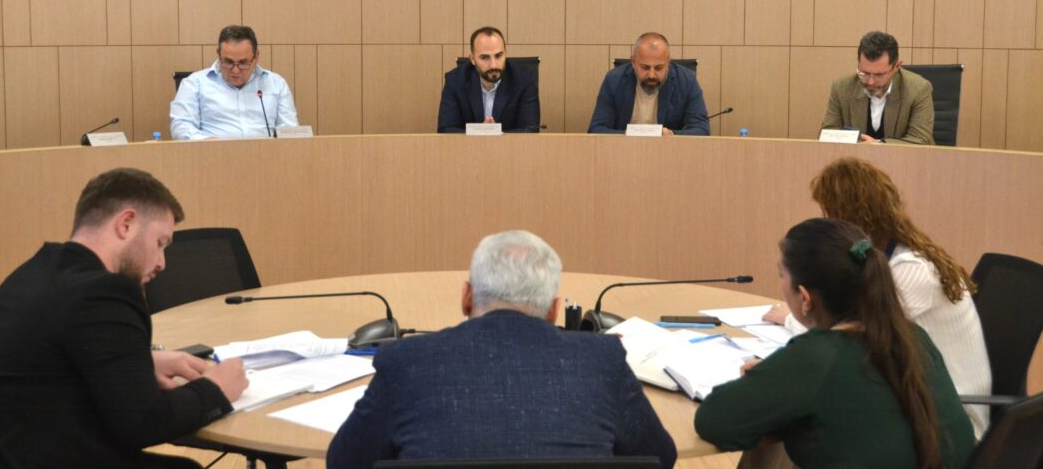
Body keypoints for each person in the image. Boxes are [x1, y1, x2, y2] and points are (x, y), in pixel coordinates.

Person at [327, 230, 677, 468]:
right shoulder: (601, 359)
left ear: (466, 297)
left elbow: (344, 461)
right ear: (554, 311)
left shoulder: (406, 361)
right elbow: (659, 456)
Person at [0, 167, 247, 468]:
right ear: (126, 224)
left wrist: (139, 362)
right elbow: (146, 422)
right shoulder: (105, 291)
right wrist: (216, 389)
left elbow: (51, 364)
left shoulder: (37, 271)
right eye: (160, 243)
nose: (162, 263)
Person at [695, 218, 975, 469]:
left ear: (805, 298)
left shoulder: (816, 356)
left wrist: (767, 381)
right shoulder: (914, 337)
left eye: (782, 275)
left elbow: (715, 421)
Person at [763, 157, 991, 437]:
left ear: (847, 216)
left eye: (828, 213)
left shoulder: (912, 271)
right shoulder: (883, 258)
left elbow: (850, 342)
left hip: (954, 422)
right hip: (918, 397)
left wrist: (793, 319)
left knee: (818, 421)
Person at [170, 25, 298, 140]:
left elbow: (290, 131)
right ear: (218, 54)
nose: (235, 71)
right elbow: (181, 126)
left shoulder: (276, 84)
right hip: (213, 155)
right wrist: (206, 143)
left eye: (243, 63)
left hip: (265, 156)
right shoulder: (194, 84)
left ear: (257, 56)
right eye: (228, 62)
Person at [821, 31, 934, 144]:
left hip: (901, 156)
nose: (870, 82)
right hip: (856, 155)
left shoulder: (919, 89)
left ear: (896, 67)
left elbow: (919, 140)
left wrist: (879, 145)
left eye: (879, 75)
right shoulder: (841, 88)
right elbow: (827, 135)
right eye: (864, 73)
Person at [588, 32, 709, 136]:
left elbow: (701, 130)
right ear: (633, 61)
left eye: (659, 68)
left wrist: (672, 135)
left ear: (668, 62)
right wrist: (629, 136)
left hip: (669, 150)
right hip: (624, 150)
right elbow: (596, 129)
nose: (651, 75)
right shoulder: (614, 80)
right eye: (645, 67)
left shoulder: (687, 81)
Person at [437, 26, 540, 133]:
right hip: (470, 144)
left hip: (511, 145)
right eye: (485, 57)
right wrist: (481, 132)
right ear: (473, 59)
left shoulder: (524, 79)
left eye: (498, 56)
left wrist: (495, 134)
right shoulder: (455, 80)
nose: (493, 65)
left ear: (505, 54)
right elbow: (445, 129)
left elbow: (530, 130)